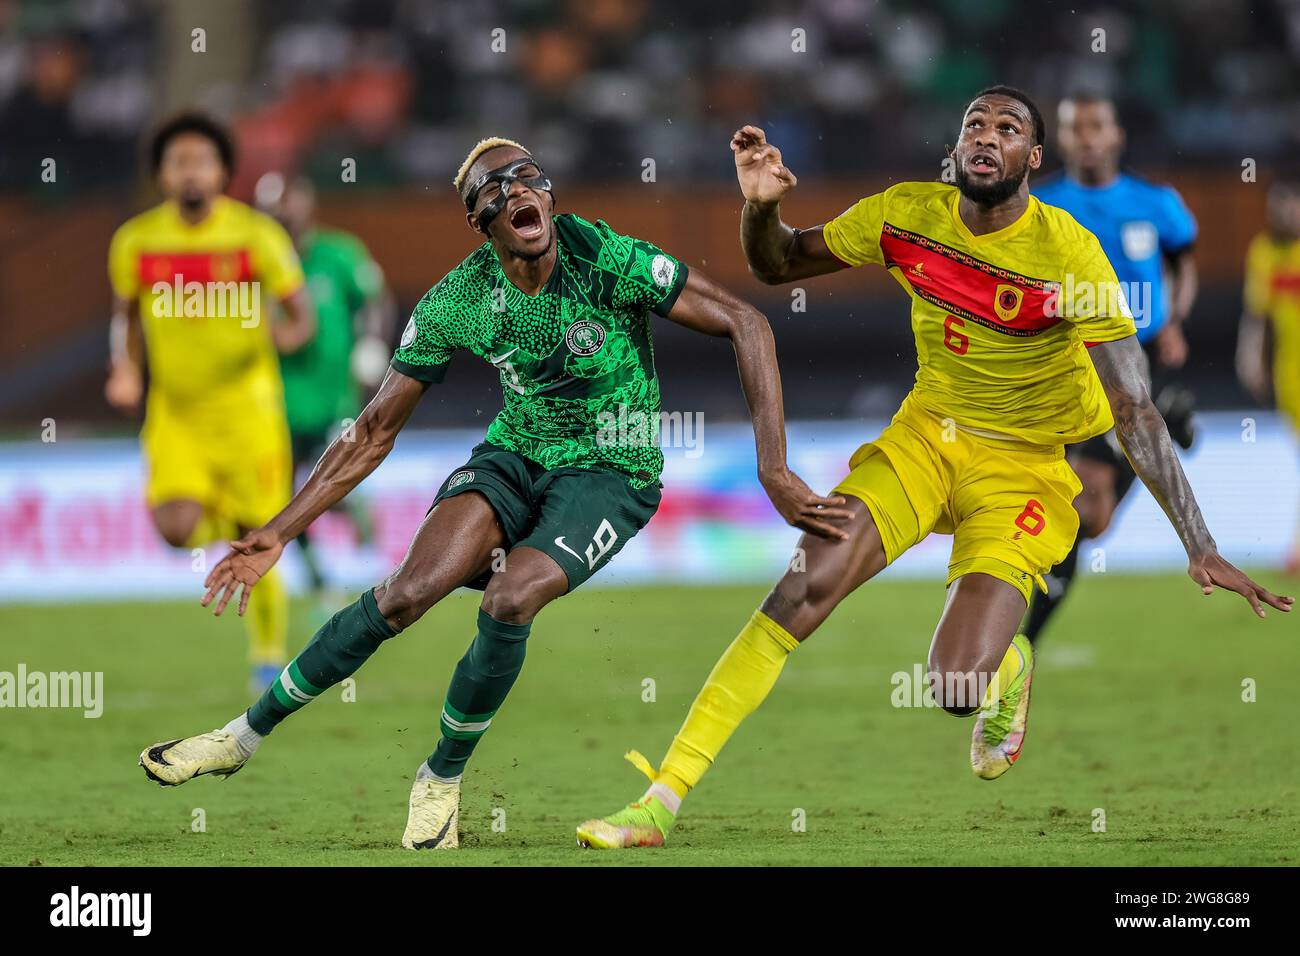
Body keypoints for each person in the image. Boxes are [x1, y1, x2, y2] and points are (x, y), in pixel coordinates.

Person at [576, 87, 1291, 850]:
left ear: (1033, 159)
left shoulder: (1070, 253)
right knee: (799, 590)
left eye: (1008, 128)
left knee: (953, 685)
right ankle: (660, 801)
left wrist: (1200, 541)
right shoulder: (903, 215)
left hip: (1025, 468)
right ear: (955, 148)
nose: (987, 136)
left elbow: (1136, 408)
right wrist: (758, 208)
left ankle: (1007, 669)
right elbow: (778, 264)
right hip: (925, 439)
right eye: (974, 124)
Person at [137, 137, 847, 850]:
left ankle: (439, 780)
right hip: (513, 454)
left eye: (528, 177)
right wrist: (280, 531)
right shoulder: (460, 298)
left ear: (550, 195)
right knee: (406, 593)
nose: (517, 191)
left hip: (612, 472)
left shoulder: (608, 258)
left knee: (511, 599)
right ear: (479, 220)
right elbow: (373, 430)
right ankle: (239, 737)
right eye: (495, 188)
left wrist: (774, 469)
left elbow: (747, 322)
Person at [105, 112, 315, 688]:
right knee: (175, 529)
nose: (190, 171)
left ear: (223, 171)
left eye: (201, 160)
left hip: (248, 411)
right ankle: (226, 517)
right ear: (162, 175)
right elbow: (125, 319)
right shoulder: (136, 242)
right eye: (178, 161)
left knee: (260, 537)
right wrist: (126, 370)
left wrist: (284, 339)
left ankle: (268, 656)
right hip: (175, 412)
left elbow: (303, 318)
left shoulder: (256, 236)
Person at [1024, 93, 1200, 644]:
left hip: (1140, 362)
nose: (1087, 137)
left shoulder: (1157, 202)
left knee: (1088, 516)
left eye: (1097, 125)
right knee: (1084, 510)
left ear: (1117, 134)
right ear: (1061, 141)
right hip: (1075, 367)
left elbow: (1183, 264)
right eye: (1075, 128)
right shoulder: (1040, 204)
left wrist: (1173, 319)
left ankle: (1022, 642)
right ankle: (1023, 644)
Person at [255, 172, 395, 613]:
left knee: (338, 479)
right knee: (279, 498)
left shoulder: (338, 254)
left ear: (305, 203)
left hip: (333, 396)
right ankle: (318, 579)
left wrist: (372, 344)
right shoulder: (252, 266)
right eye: (272, 209)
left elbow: (376, 300)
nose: (281, 216)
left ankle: (376, 559)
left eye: (287, 204)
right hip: (273, 404)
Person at [1238, 171, 1300, 571]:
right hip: (1290, 372)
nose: (1287, 212)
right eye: (1280, 204)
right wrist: (1249, 356)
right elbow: (1256, 314)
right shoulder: (1263, 252)